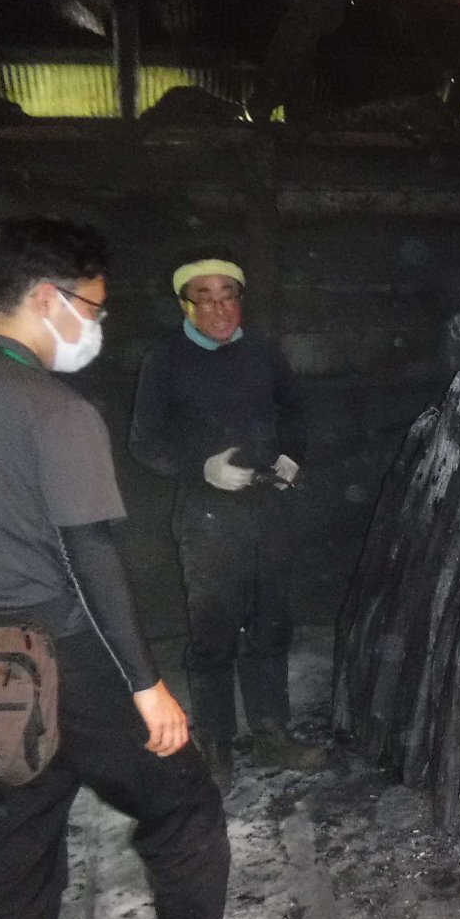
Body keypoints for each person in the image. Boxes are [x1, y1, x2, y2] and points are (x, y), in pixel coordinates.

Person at [0, 217, 309, 919]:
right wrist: (144, 683)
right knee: (183, 800)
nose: (95, 324)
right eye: (91, 307)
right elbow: (92, 559)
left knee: (15, 858)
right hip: (61, 653)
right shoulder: (54, 411)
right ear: (48, 297)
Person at [129, 255, 324, 783]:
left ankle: (271, 732)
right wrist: (202, 468)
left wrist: (292, 454)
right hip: (208, 514)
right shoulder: (166, 359)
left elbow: (295, 408)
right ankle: (216, 742)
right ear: (185, 306)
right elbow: (144, 442)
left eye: (228, 296)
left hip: (269, 504)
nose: (219, 308)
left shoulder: (261, 350)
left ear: (240, 300)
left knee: (270, 623)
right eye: (205, 298)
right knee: (212, 630)